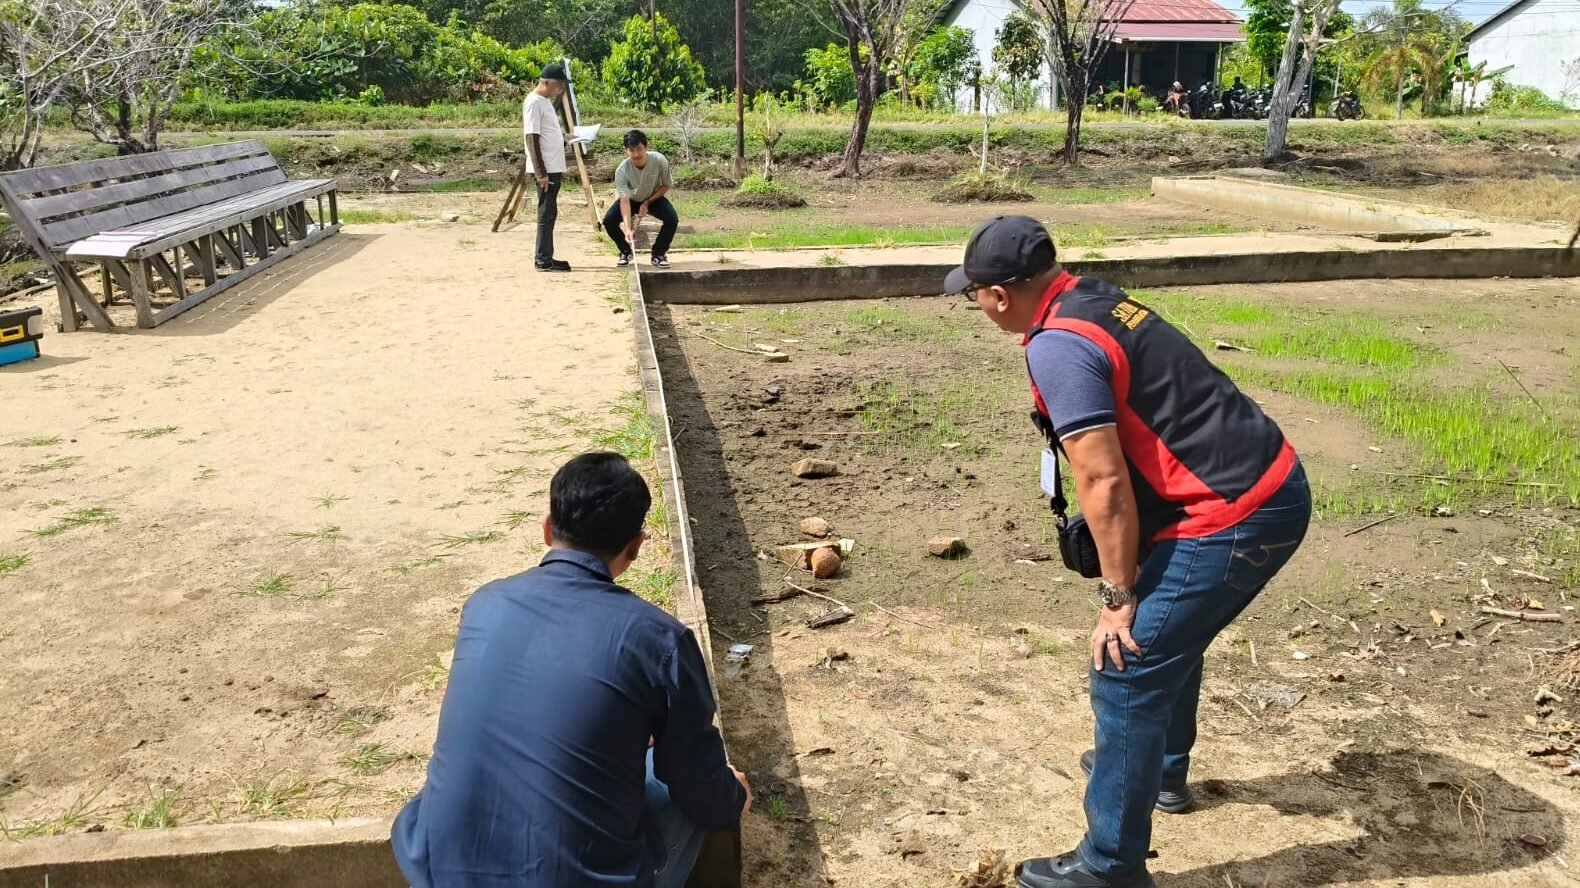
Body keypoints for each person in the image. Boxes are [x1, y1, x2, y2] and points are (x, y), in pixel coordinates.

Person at [946, 216, 1311, 888]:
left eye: (973, 295)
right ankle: (1158, 772)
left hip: (1232, 513)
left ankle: (1110, 865)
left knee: (1128, 663)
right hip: (1262, 483)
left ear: (997, 295)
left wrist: (1117, 597)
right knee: (1170, 638)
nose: (976, 306)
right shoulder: (1092, 297)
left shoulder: (1058, 347)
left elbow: (1103, 481)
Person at [391, 452, 751, 887]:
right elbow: (699, 787)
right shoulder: (659, 639)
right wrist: (733, 795)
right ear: (636, 547)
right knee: (673, 787)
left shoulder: (485, 604)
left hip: (439, 871)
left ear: (547, 529)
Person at [604, 130, 679, 269]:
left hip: (653, 198)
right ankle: (625, 251)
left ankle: (658, 254)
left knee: (671, 218)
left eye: (639, 149)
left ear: (646, 147)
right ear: (626, 151)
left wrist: (647, 202)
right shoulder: (622, 170)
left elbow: (667, 185)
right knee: (609, 221)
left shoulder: (659, 160)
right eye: (631, 150)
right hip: (631, 200)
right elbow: (624, 201)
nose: (636, 154)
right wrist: (628, 229)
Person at [523, 63, 572, 272]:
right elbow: (531, 138)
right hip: (546, 169)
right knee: (546, 212)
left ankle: (547, 256)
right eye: (559, 84)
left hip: (554, 165)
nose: (560, 88)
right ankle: (543, 260)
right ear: (546, 82)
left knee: (550, 211)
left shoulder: (545, 101)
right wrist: (540, 172)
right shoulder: (534, 102)